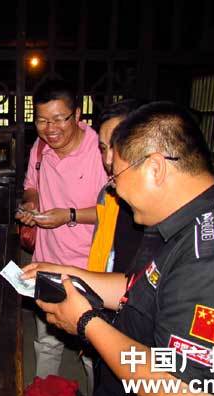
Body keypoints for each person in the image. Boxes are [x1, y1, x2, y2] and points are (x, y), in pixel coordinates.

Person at [23, 101, 214, 396]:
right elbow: (140, 288)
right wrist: (64, 272)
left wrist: (86, 322)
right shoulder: (194, 221)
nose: (114, 189)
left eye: (116, 176)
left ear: (155, 168)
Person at [16, 80, 107, 384]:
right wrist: (30, 204)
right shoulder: (40, 148)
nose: (49, 128)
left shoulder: (101, 151)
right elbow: (31, 185)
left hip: (91, 269)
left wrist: (67, 216)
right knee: (47, 340)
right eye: (41, 120)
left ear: (77, 114)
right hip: (48, 262)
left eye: (59, 118)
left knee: (94, 350)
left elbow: (114, 213)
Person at [87, 99, 146, 274]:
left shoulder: (168, 214)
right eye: (103, 148)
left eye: (117, 147)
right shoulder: (109, 196)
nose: (108, 160)